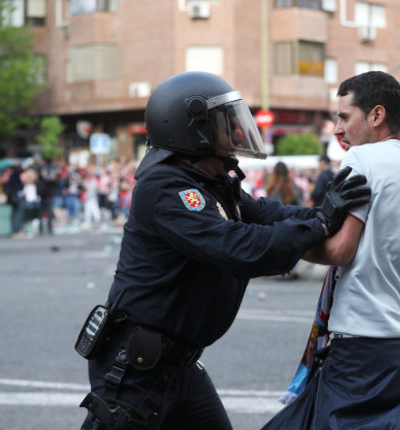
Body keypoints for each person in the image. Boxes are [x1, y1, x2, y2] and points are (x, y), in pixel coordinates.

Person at [77, 71, 371, 430]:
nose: (235, 133)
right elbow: (240, 247)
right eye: (224, 124)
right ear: (193, 132)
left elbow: (268, 214)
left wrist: (332, 213)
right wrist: (322, 224)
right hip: (137, 370)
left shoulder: (213, 183)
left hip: (178, 366)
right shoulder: (165, 188)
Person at [262, 71, 400, 430]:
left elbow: (340, 251)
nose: (336, 129)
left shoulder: (362, 160)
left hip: (363, 346)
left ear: (376, 116)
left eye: (344, 117)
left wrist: (286, 244)